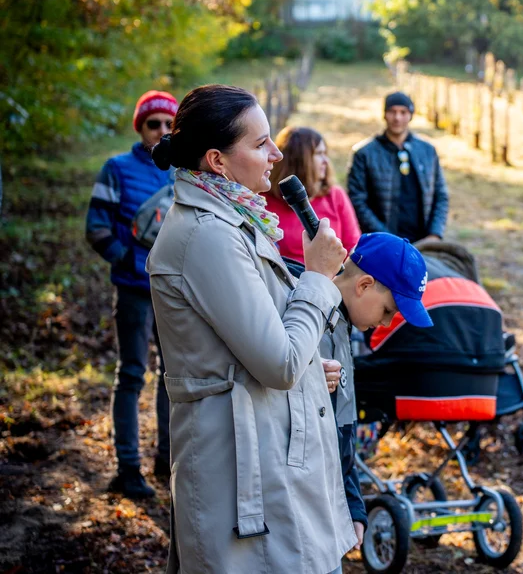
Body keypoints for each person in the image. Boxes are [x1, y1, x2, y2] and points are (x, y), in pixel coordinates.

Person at [146, 84, 356, 574]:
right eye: (261, 144)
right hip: (239, 471)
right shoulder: (206, 237)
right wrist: (320, 278)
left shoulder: (236, 220)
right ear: (217, 161)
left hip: (266, 457)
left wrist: (310, 366)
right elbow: (278, 363)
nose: (276, 154)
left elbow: (268, 343)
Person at [85, 90, 177, 499]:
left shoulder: (182, 171)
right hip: (134, 291)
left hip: (174, 292)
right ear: (140, 126)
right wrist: (125, 260)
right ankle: (128, 468)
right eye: (153, 123)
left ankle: (168, 459)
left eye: (168, 125)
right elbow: (97, 226)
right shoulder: (117, 169)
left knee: (173, 376)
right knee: (131, 373)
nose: (161, 131)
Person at [320, 233, 434, 555]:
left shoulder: (342, 330)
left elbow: (343, 431)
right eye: (387, 311)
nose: (385, 322)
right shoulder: (310, 314)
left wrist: (354, 506)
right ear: (364, 285)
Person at [347, 91, 449, 243]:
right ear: (384, 114)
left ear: (411, 115)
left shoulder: (427, 151)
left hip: (423, 242)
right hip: (382, 241)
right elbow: (357, 201)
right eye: (392, 112)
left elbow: (441, 196)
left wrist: (434, 233)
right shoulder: (364, 154)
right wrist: (387, 238)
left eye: (403, 112)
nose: (397, 118)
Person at [266, 126, 361, 263]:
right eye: (319, 154)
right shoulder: (265, 199)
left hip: (331, 280)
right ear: (298, 159)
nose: (326, 161)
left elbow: (353, 246)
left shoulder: (334, 195)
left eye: (325, 154)